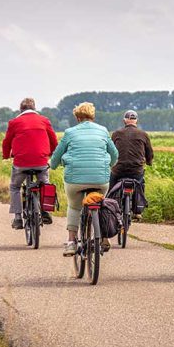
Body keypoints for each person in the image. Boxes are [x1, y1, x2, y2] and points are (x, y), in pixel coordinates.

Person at [50, 102, 118, 256]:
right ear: (92, 116)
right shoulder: (103, 131)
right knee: (100, 203)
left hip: (75, 181)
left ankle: (72, 242)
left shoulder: (69, 132)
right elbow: (115, 155)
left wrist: (53, 165)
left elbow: (56, 156)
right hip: (100, 179)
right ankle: (103, 237)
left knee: (74, 206)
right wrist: (108, 164)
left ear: (77, 117)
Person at [2, 98, 58, 230]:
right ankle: (46, 211)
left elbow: (7, 141)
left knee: (15, 187)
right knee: (45, 184)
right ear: (34, 108)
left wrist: (5, 155)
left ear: (20, 109)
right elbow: (53, 140)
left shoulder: (14, 122)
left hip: (21, 163)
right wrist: (53, 153)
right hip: (41, 162)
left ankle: (17, 218)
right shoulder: (44, 120)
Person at [109, 110, 153, 190]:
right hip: (136, 171)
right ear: (136, 121)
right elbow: (149, 153)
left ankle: (110, 200)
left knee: (110, 190)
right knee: (140, 187)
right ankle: (141, 201)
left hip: (118, 170)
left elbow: (110, 152)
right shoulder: (143, 134)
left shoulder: (116, 134)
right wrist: (149, 162)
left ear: (124, 120)